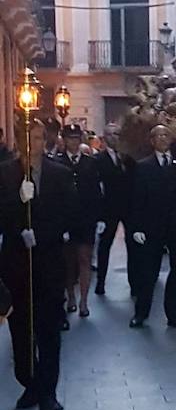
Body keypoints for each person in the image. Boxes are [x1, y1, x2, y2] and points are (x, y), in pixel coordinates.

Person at [0, 119, 76, 410]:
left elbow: (69, 214)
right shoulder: (5, 174)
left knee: (48, 330)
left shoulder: (60, 174)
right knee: (21, 329)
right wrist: (18, 214)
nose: (36, 143)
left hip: (49, 263)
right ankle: (28, 382)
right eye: (30, 137)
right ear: (20, 141)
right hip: (16, 264)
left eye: (41, 137)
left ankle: (48, 392)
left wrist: (41, 235)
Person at [129, 124, 176, 329]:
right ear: (152, 140)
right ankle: (141, 312)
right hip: (152, 226)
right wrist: (137, 227)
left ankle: (174, 313)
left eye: (167, 135)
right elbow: (136, 198)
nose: (163, 138)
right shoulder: (143, 166)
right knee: (148, 273)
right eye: (159, 135)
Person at [55, 123, 105, 318]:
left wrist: (100, 217)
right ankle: (71, 296)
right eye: (70, 138)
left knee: (84, 259)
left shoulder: (90, 162)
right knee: (68, 263)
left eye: (76, 138)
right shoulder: (58, 162)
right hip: (66, 220)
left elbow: (96, 192)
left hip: (86, 219)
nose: (73, 142)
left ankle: (84, 301)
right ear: (64, 140)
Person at [95, 122, 137, 297]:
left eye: (117, 134)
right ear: (105, 138)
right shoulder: (99, 160)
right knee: (105, 246)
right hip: (109, 209)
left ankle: (134, 282)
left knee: (133, 246)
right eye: (111, 134)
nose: (115, 137)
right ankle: (101, 281)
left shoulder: (128, 159)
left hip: (128, 207)